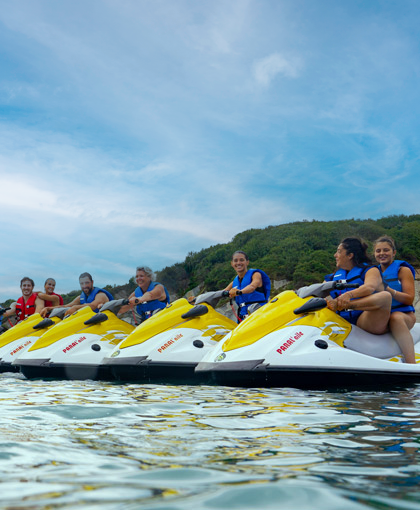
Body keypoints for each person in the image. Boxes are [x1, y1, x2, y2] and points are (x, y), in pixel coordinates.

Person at [325, 237, 391, 335]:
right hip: (340, 320)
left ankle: (345, 305)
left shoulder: (370, 270)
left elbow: (369, 287)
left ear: (350, 255)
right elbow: (318, 289)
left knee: (385, 296)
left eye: (339, 252)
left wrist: (349, 295)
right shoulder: (333, 276)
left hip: (364, 320)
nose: (335, 255)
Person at [374, 236, 417, 363]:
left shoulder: (403, 270)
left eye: (386, 250)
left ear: (394, 252)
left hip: (404, 315)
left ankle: (411, 363)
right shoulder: (372, 272)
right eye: (378, 251)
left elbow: (409, 299)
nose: (382, 253)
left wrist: (388, 290)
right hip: (382, 317)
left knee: (396, 318)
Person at [224, 251, 271, 322]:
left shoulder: (256, 274)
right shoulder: (234, 282)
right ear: (232, 264)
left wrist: (240, 292)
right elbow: (222, 292)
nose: (238, 263)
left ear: (247, 262)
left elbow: (252, 287)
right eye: (235, 260)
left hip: (259, 315)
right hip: (243, 319)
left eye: (242, 260)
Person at [41, 272, 113, 317]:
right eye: (82, 283)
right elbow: (66, 306)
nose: (84, 286)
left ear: (92, 282)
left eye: (87, 283)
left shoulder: (101, 295)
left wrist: (75, 307)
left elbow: (93, 306)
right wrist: (48, 308)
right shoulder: (80, 298)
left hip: (106, 324)